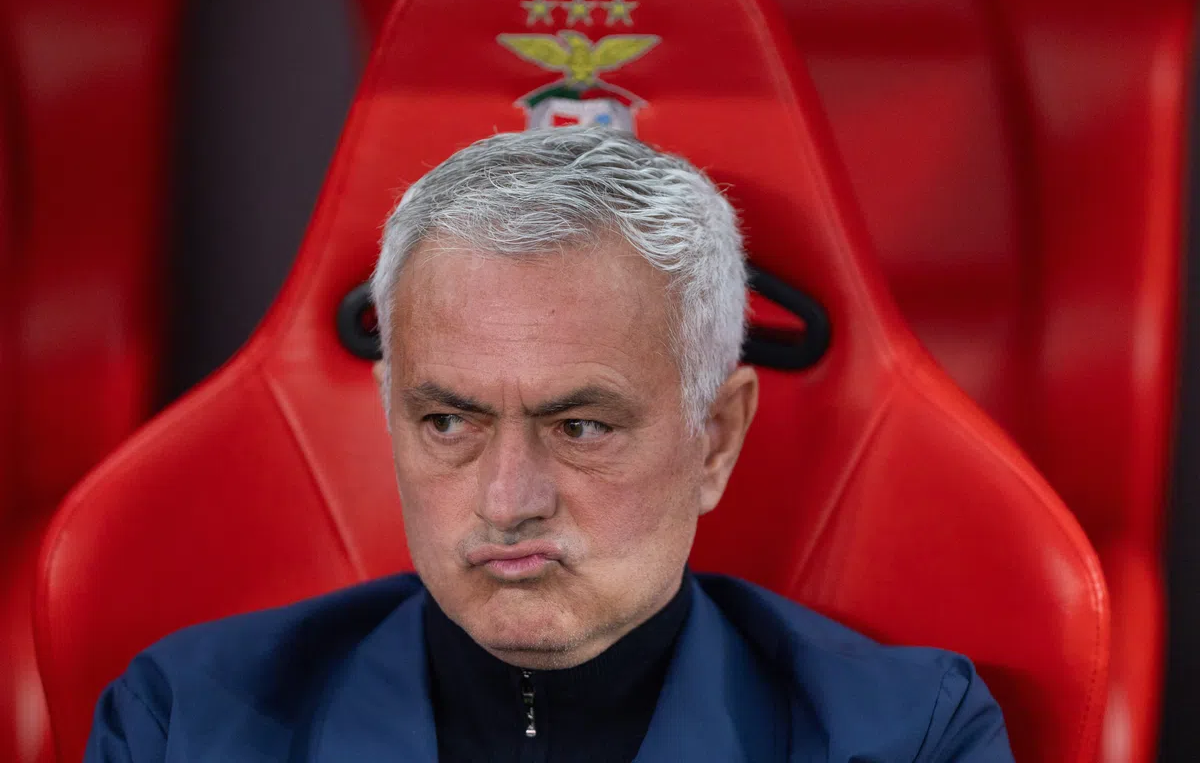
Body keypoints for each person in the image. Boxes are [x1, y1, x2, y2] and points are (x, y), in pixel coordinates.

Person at [85, 127, 1014, 761]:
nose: (507, 501)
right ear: (390, 414)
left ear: (715, 439)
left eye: (580, 427)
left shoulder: (906, 737)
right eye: (449, 422)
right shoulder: (183, 723)